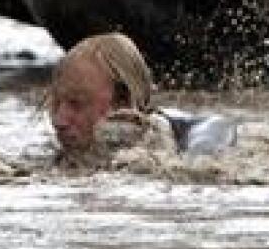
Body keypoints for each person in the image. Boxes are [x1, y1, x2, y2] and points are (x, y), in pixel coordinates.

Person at [45, 32, 237, 164]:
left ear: (124, 102)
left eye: (76, 104)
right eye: (55, 103)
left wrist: (196, 163)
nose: (57, 121)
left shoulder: (177, 136)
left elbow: (219, 126)